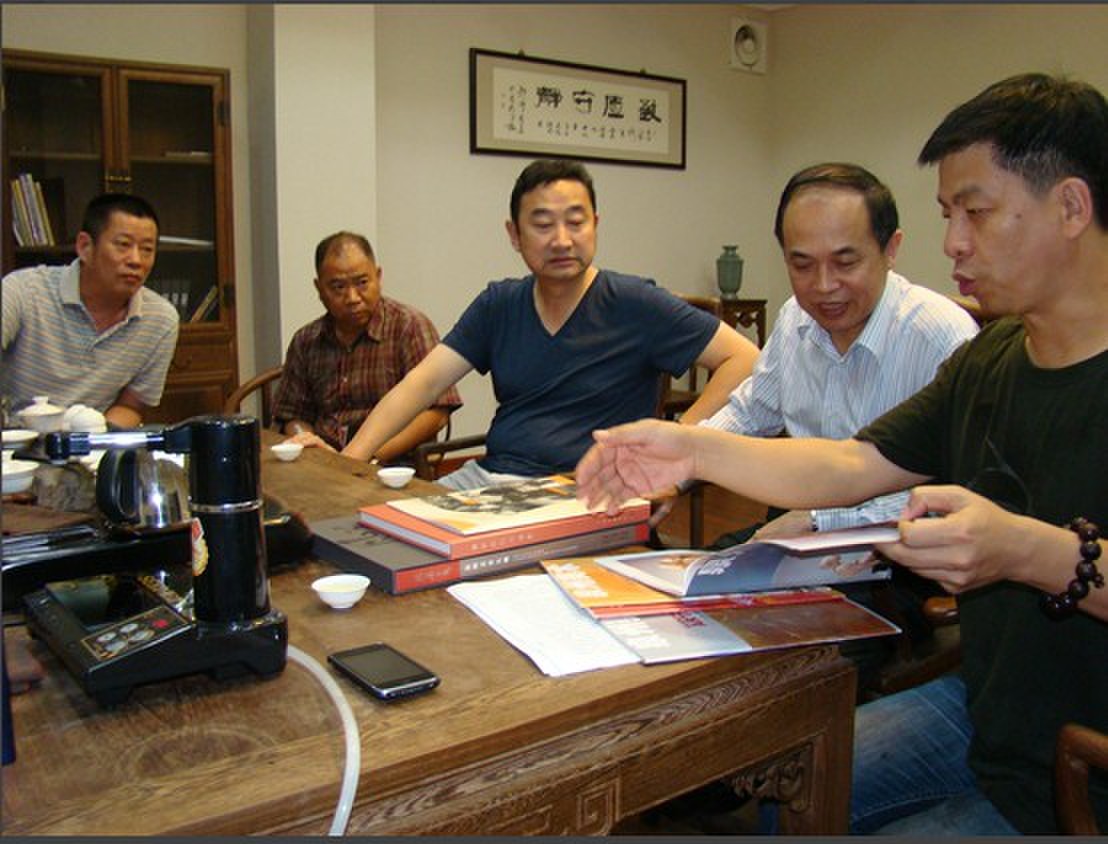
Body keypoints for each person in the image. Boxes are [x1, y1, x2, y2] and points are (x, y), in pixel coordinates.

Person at [576, 72, 1108, 834]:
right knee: (786, 800)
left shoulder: (953, 339)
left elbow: (1017, 546)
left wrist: (1027, 550)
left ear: (1071, 207)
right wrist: (688, 449)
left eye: (978, 213)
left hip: (1087, 767)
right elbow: (852, 465)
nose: (954, 243)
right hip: (985, 713)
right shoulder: (990, 362)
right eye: (948, 215)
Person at [328, 158, 759, 490]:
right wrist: (348, 461)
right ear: (514, 235)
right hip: (489, 481)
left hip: (585, 490)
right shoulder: (499, 304)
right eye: (542, 225)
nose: (562, 240)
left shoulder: (634, 302)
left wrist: (675, 443)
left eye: (576, 222)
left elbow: (743, 359)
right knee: (388, 536)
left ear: (595, 226)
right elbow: (422, 384)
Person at [272, 231, 461, 462]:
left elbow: (437, 413)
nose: (352, 297)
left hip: (391, 462)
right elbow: (292, 415)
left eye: (362, 283)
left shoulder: (409, 327)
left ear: (378, 277)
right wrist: (308, 443)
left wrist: (366, 455)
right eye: (338, 287)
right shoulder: (306, 340)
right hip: (324, 461)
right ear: (319, 288)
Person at [2, 193, 179, 428]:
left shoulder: (161, 320)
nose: (136, 260)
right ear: (85, 246)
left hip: (92, 441)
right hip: (16, 441)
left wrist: (97, 439)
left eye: (147, 249)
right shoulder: (23, 291)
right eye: (123, 245)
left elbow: (131, 406)